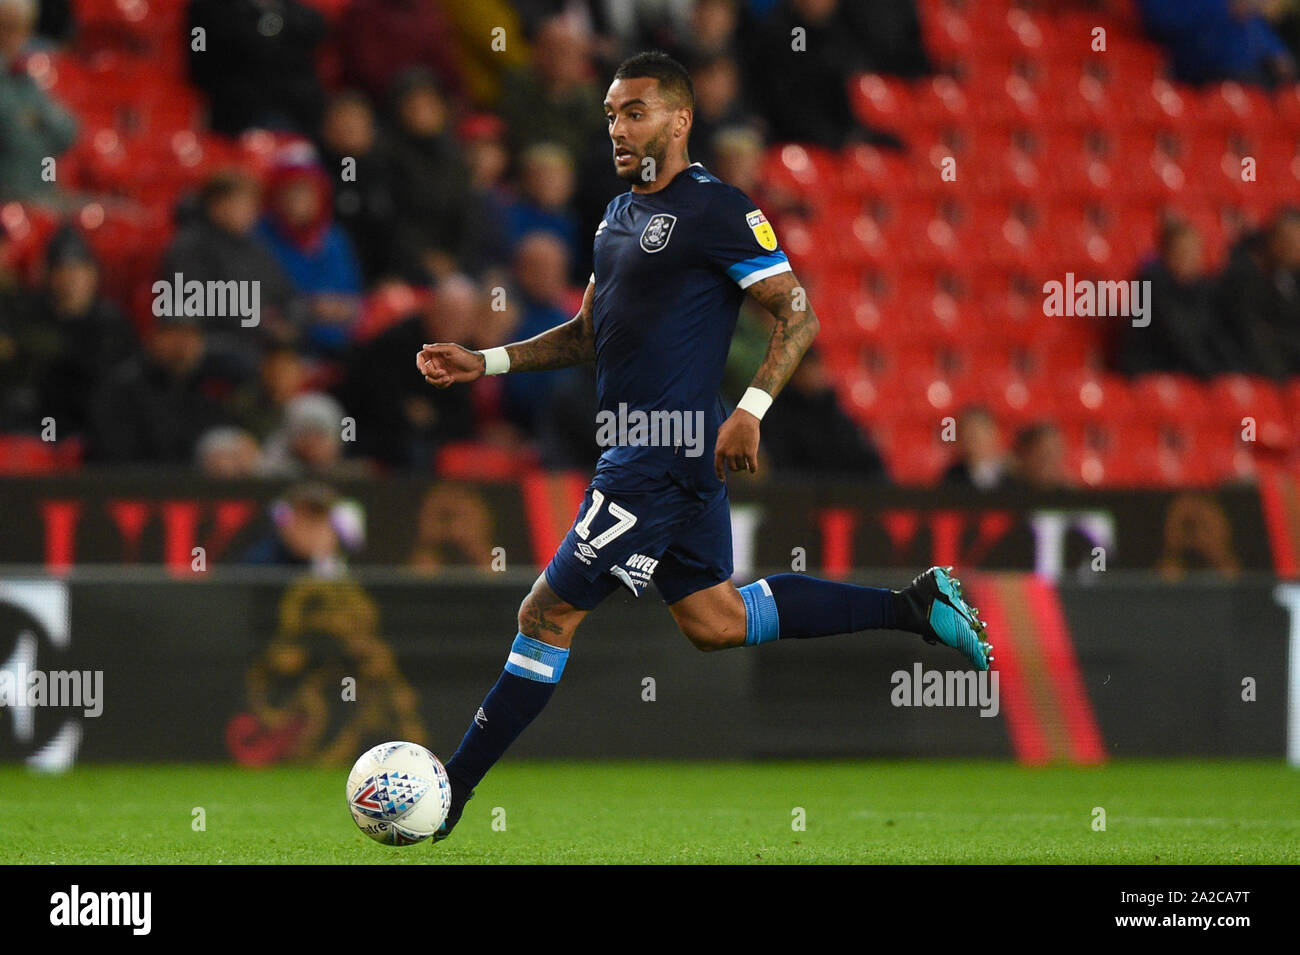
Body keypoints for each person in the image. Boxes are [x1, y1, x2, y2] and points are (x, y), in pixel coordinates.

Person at [416, 51, 993, 843]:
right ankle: (915, 605)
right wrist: (487, 360)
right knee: (716, 619)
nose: (618, 127)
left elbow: (800, 315)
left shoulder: (720, 211)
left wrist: (751, 407)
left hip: (661, 455)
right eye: (612, 113)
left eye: (636, 111)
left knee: (545, 613)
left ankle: (447, 793)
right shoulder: (615, 216)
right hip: (642, 450)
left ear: (680, 118)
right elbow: (589, 336)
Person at [0, 0, 77, 201]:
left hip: (37, 196)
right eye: (2, 27)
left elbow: (66, 133)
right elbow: (9, 126)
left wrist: (37, 118)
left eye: (14, 29)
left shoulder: (25, 78)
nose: (6, 38)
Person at [940, 405, 1009, 491]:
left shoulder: (1012, 474)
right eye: (969, 436)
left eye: (979, 435)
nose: (975, 442)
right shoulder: (952, 476)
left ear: (994, 434)